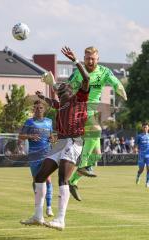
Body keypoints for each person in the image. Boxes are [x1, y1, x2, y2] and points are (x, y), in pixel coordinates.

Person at [20, 46, 90, 230]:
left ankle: (60, 219)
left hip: (74, 142)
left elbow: (86, 78)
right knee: (40, 176)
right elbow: (53, 102)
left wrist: (75, 60)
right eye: (59, 91)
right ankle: (37, 216)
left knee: (62, 178)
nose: (59, 92)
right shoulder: (61, 105)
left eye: (62, 90)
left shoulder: (79, 99)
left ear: (70, 91)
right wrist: (43, 95)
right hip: (60, 143)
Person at [68, 46, 127, 201]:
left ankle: (73, 181)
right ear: (84, 58)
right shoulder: (78, 74)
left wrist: (121, 90)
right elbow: (68, 90)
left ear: (98, 59)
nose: (90, 61)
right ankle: (83, 164)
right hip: (80, 110)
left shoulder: (104, 72)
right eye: (87, 58)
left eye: (93, 58)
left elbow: (115, 83)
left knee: (98, 156)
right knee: (96, 130)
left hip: (93, 111)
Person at [19, 100, 54, 217]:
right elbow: (21, 137)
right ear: (33, 109)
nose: (38, 110)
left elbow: (51, 136)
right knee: (36, 181)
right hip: (34, 156)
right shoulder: (29, 122)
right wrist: (30, 136)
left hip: (47, 154)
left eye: (40, 108)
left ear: (44, 109)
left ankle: (49, 207)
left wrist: (52, 139)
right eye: (36, 108)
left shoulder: (49, 122)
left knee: (48, 179)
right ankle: (40, 203)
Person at [135, 122, 149, 187]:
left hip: (148, 155)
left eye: (146, 127)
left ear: (148, 128)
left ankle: (147, 182)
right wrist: (135, 149)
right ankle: (138, 176)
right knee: (141, 169)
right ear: (142, 128)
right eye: (144, 127)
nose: (145, 128)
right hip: (141, 155)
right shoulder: (139, 136)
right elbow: (136, 145)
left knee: (148, 168)